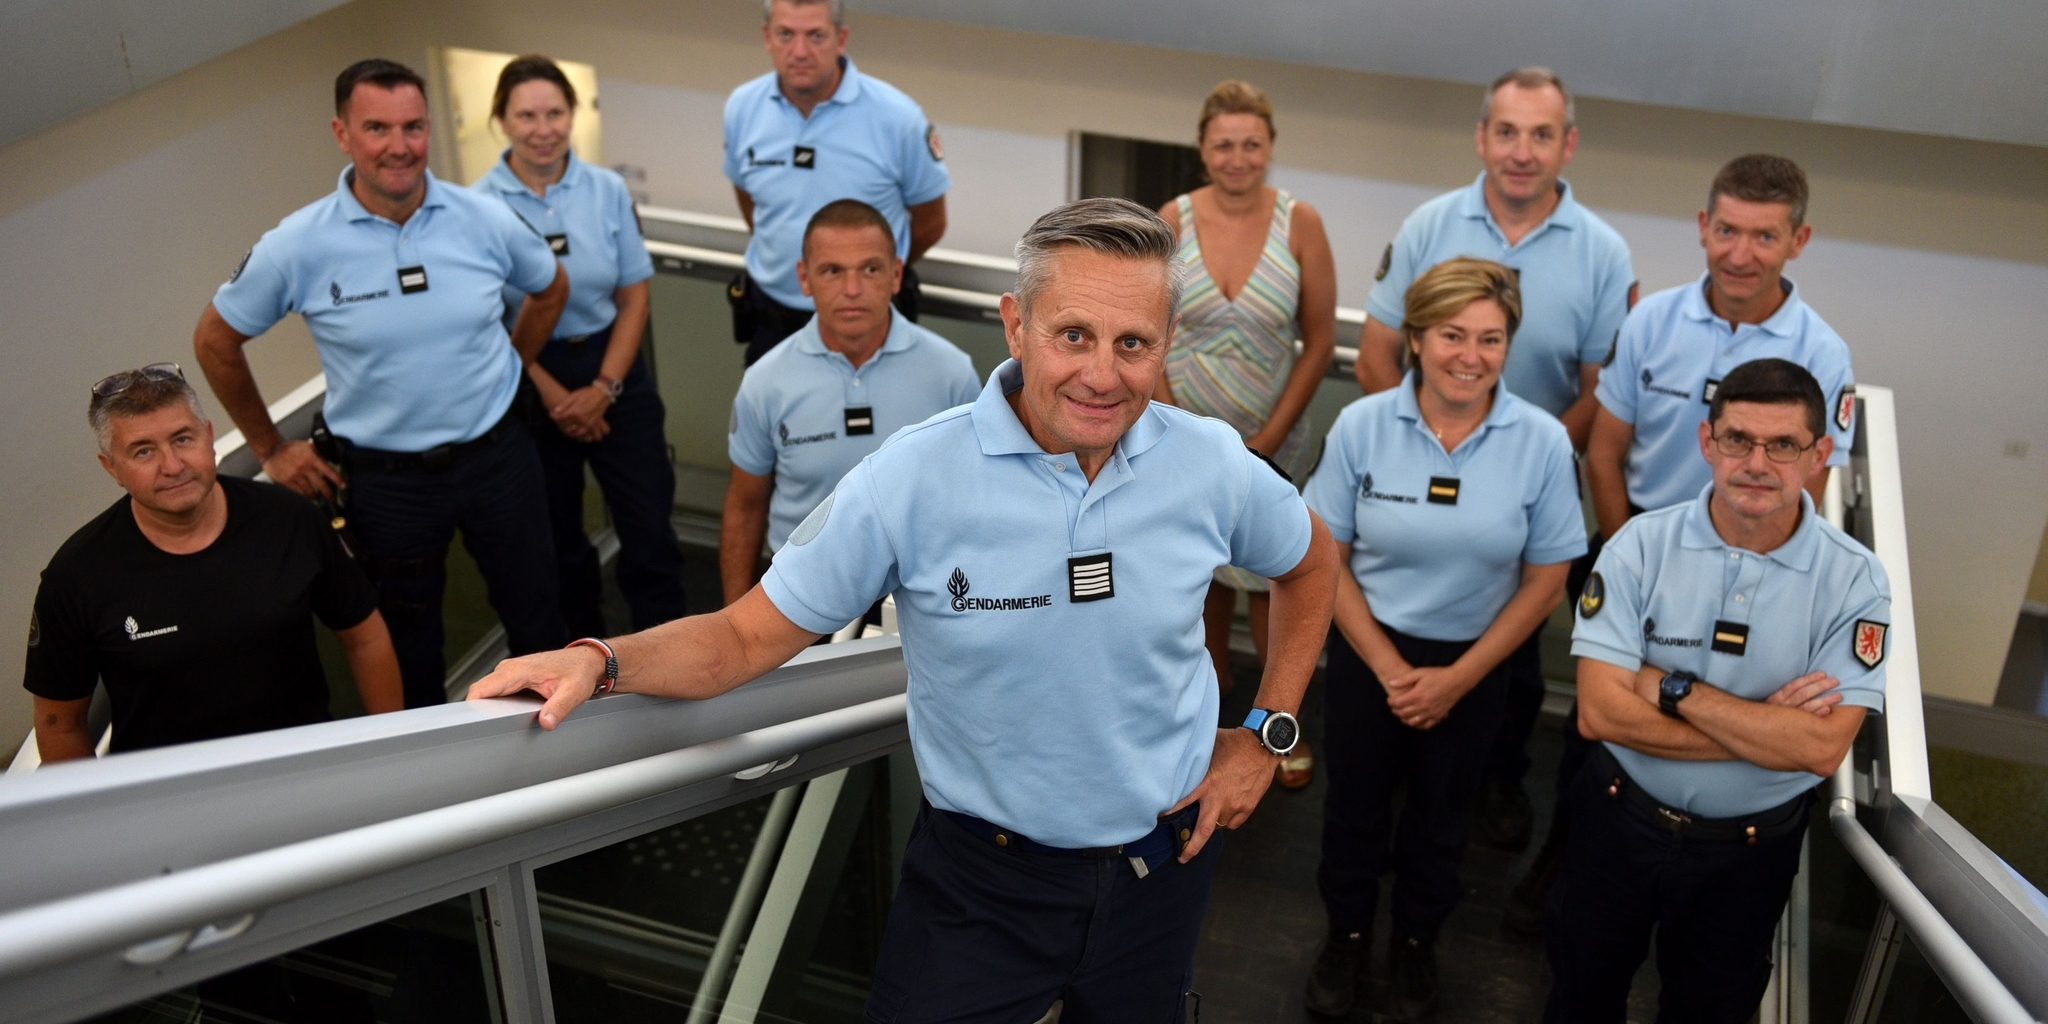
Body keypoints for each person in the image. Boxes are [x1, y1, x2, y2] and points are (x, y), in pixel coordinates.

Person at [470, 198, 1338, 1022]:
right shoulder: (911, 480)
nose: (1102, 375)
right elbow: (740, 637)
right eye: (1073, 334)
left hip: (1163, 870)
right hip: (980, 889)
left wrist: (1268, 733)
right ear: (1014, 324)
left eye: (1133, 343)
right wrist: (601, 659)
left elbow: (1312, 559)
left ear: (1166, 345)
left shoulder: (1207, 461)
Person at [194, 58, 572, 709]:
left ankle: (562, 758)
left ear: (429, 129)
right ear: (343, 134)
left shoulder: (482, 216)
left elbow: (550, 287)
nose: (399, 146)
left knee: (540, 618)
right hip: (386, 485)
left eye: (413, 127)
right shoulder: (299, 244)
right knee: (408, 645)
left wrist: (508, 365)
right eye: (377, 128)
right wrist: (270, 448)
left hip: (500, 459)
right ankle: (430, 785)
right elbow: (215, 340)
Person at [1545, 357, 1888, 1023]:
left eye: (1783, 445)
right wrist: (1765, 732)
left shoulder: (1857, 582)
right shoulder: (1638, 546)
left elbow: (1821, 750)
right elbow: (1599, 713)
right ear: (1708, 443)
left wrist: (1671, 688)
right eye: (1738, 439)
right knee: (1580, 996)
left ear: (1819, 455)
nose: (1757, 462)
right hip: (1619, 823)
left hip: (1750, 854)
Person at [1355, 66, 1636, 853]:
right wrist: (1422, 447)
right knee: (1391, 669)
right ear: (1482, 137)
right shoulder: (1427, 226)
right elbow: (1378, 357)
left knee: (1510, 672)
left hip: (1528, 492)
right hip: (1412, 481)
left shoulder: (1605, 254)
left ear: (1567, 146)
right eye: (1506, 131)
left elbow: (1602, 392)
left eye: (1541, 134)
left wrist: (1523, 459)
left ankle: (1499, 779)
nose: (1521, 151)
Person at [1300, 259, 1585, 1020]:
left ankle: (1417, 946)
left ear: (1509, 345)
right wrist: (1392, 668)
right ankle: (1348, 936)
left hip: (1477, 663)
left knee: (1442, 820)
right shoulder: (1363, 426)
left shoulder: (1543, 442)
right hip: (1371, 656)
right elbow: (1327, 559)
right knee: (1354, 813)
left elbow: (1547, 577)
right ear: (1416, 339)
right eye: (1452, 334)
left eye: (1490, 339)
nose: (1471, 354)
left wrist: (1457, 679)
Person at [25, 364, 402, 761]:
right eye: (143, 451)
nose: (172, 465)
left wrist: (389, 747)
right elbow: (59, 723)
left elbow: (366, 637)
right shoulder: (76, 576)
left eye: (182, 439)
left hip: (304, 767)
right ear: (112, 468)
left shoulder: (289, 518)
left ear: (209, 438)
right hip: (164, 798)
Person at [1156, 79, 1336, 791]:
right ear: (1203, 148)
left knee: (1272, 585)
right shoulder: (1171, 218)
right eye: (1223, 145)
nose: (1237, 158)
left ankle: (1276, 726)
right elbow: (1154, 330)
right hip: (1183, 437)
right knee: (1197, 589)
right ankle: (1197, 726)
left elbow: (1319, 342)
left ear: (1270, 148)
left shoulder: (1302, 222)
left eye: (1251, 144)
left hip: (1273, 440)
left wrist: (1267, 439)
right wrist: (1170, 427)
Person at [477, 54, 689, 638]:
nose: (542, 128)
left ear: (572, 115)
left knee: (650, 533)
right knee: (558, 546)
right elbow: (485, 320)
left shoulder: (606, 189)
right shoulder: (478, 206)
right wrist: (552, 397)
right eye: (526, 115)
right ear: (501, 121)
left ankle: (668, 661)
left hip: (614, 365)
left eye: (554, 113)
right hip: (527, 371)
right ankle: (584, 673)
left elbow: (634, 299)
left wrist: (602, 389)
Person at [721, 199, 979, 605]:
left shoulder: (951, 373)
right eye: (832, 271)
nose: (853, 289)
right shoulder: (764, 382)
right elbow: (745, 506)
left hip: (918, 587)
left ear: (896, 275)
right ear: (805, 279)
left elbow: (973, 495)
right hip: (798, 590)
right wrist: (735, 630)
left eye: (870, 269)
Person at [1588, 153, 1854, 541]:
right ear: (1703, 227)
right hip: (1639, 537)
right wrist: (1625, 561)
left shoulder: (1823, 355)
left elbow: (1806, 494)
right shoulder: (1649, 321)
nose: (1740, 256)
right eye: (1727, 231)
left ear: (1798, 241)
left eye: (1765, 237)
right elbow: (1603, 456)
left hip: (1752, 552)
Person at [725, 0, 951, 365]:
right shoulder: (742, 107)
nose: (800, 51)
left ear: (841, 39)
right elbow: (749, 198)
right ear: (767, 37)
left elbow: (931, 222)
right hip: (772, 316)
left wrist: (868, 274)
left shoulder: (898, 118)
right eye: (786, 34)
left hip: (868, 319)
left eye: (815, 36)